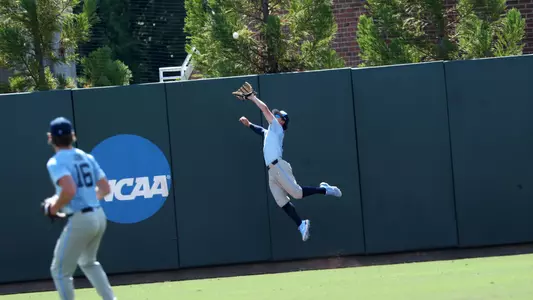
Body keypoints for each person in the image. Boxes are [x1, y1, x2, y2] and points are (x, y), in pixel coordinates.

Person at [234, 82, 342, 242]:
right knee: (281, 201)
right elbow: (260, 131)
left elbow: (264, 109)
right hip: (272, 172)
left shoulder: (277, 128)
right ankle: (301, 224)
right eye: (275, 115)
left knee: (297, 194)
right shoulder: (270, 132)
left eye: (278, 116)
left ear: (282, 121)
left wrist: (252, 97)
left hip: (279, 166)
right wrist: (249, 124)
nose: (275, 116)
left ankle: (325, 190)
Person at [41, 117, 116, 300]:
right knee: (88, 262)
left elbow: (69, 189)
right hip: (98, 215)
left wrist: (54, 207)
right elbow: (105, 189)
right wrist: (87, 200)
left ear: (50, 138)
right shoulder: (86, 156)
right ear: (72, 136)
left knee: (59, 271)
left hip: (82, 218)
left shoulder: (56, 161)